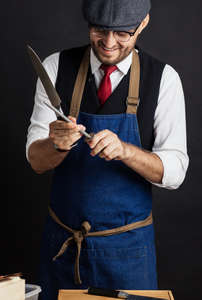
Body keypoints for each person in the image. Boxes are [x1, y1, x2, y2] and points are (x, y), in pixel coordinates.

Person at [26, 0, 188, 299]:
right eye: (100, 30)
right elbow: (36, 161)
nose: (109, 43)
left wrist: (126, 150)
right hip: (62, 248)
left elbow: (175, 172)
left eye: (123, 33)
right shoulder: (55, 67)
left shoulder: (164, 79)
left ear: (143, 24)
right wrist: (56, 145)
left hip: (128, 253)